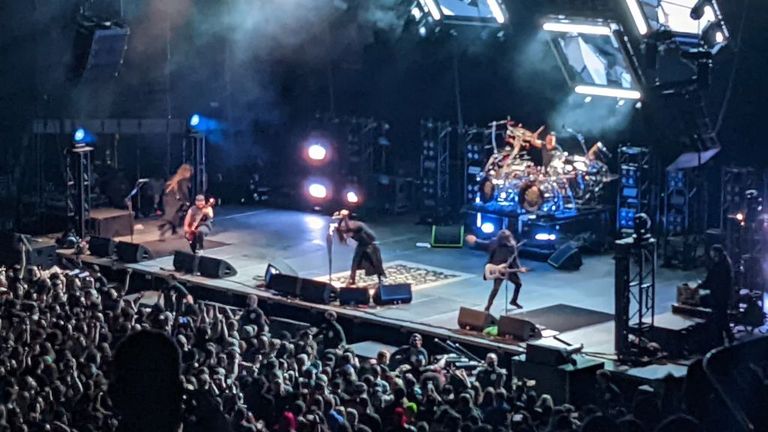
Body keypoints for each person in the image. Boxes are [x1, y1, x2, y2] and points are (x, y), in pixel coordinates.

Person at [465, 230, 527, 311]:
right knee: (496, 288)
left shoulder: (512, 246)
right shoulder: (494, 243)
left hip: (508, 268)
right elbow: (484, 244)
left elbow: (515, 258)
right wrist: (475, 240)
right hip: (497, 269)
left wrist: (519, 268)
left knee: (518, 284)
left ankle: (513, 301)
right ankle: (488, 306)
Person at [333, 210, 386, 286]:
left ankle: (380, 278)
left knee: (375, 262)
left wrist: (345, 218)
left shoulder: (355, 225)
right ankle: (352, 279)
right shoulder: (341, 227)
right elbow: (344, 237)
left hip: (369, 245)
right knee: (355, 262)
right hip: (361, 245)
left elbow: (351, 229)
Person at [700, 244, 734, 345]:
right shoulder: (724, 262)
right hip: (722, 295)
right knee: (722, 317)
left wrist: (702, 285)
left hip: (719, 295)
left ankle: (721, 339)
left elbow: (713, 280)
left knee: (720, 317)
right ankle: (728, 336)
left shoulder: (720, 266)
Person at [159, 164, 193, 239]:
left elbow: (165, 189)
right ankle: (162, 233)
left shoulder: (173, 178)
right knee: (174, 218)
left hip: (168, 200)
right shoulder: (183, 180)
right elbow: (184, 192)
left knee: (174, 217)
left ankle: (174, 232)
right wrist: (187, 201)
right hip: (176, 202)